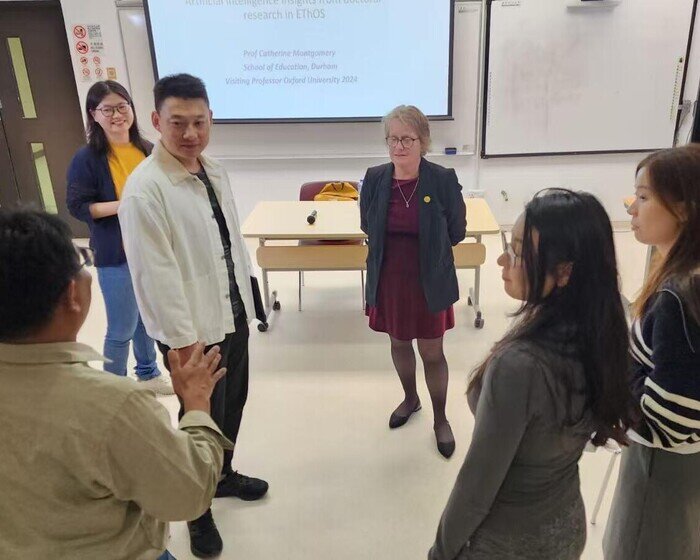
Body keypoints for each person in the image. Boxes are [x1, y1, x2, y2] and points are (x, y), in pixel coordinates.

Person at [0, 208, 232, 560]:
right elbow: (188, 494)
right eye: (80, 262)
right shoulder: (112, 406)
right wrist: (197, 404)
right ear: (72, 296)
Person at [429, 189, 634, 559]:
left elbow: (477, 487)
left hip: (507, 542)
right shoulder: (604, 325)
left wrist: (441, 552)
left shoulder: (520, 366)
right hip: (565, 523)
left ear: (565, 271)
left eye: (519, 251)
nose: (502, 260)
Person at [118, 73, 268, 559]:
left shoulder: (214, 171)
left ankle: (221, 476)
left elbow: (230, 247)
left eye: (199, 122)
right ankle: (196, 512)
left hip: (231, 314)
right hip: (193, 333)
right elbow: (155, 277)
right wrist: (184, 348)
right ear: (157, 121)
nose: (190, 133)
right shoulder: (146, 190)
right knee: (199, 415)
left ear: (211, 121)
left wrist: (249, 302)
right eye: (178, 123)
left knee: (234, 404)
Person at [604, 145, 700, 560]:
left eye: (643, 197)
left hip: (663, 470)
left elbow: (669, 420)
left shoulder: (680, 295)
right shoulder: (680, 276)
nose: (632, 209)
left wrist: (604, 380)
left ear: (682, 208)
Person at [360, 105, 466, 458]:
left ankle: (440, 418)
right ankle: (410, 399)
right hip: (389, 280)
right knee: (399, 343)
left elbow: (457, 230)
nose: (399, 145)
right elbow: (367, 225)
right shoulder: (375, 178)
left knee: (432, 352)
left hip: (429, 280)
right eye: (393, 138)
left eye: (407, 138)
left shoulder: (441, 179)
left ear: (423, 142)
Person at [66, 80, 172, 394]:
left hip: (150, 250)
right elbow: (77, 206)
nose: (117, 115)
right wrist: (125, 204)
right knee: (121, 327)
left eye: (122, 106)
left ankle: (148, 374)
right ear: (93, 115)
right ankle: (113, 389)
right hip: (116, 254)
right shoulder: (87, 158)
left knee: (146, 322)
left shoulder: (148, 150)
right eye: (107, 109)